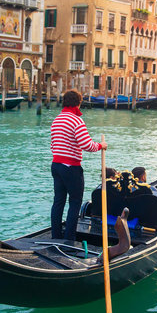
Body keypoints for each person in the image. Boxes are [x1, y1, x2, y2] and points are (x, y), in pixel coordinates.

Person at [50, 89, 108, 240]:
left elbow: (53, 144)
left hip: (56, 165)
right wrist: (101, 145)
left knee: (58, 202)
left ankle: (56, 236)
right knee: (75, 202)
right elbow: (86, 144)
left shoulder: (57, 120)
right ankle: (69, 238)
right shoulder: (76, 120)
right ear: (78, 103)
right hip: (71, 168)